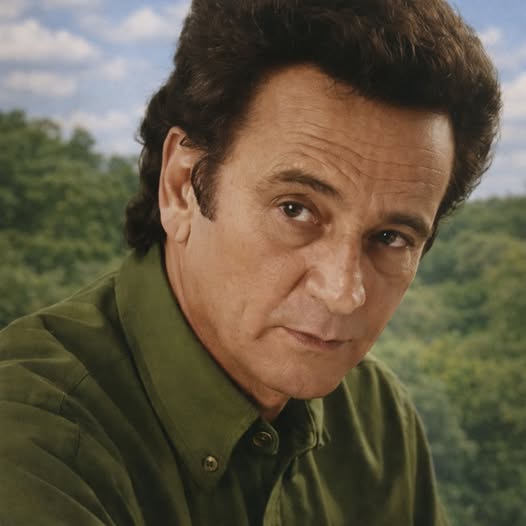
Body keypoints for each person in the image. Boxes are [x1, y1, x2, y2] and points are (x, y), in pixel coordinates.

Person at [0, 1, 501, 525]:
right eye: (296, 209)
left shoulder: (377, 421)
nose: (342, 292)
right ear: (182, 186)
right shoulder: (32, 439)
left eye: (391, 238)